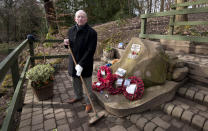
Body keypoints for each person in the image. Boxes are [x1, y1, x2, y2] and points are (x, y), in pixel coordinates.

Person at [64, 10, 97, 113]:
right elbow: (69, 45)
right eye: (78, 17)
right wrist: (66, 43)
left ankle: (88, 102)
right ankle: (78, 96)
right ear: (75, 19)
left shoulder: (92, 33)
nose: (80, 19)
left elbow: (90, 50)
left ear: (86, 19)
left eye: (82, 17)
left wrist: (81, 64)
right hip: (73, 61)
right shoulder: (70, 30)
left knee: (87, 83)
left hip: (85, 63)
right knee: (75, 81)